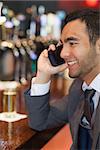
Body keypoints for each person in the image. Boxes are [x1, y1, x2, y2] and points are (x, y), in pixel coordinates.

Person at [25, 9, 100, 150]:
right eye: (62, 45)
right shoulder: (80, 88)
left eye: (72, 43)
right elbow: (39, 122)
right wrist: (43, 74)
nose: (64, 53)